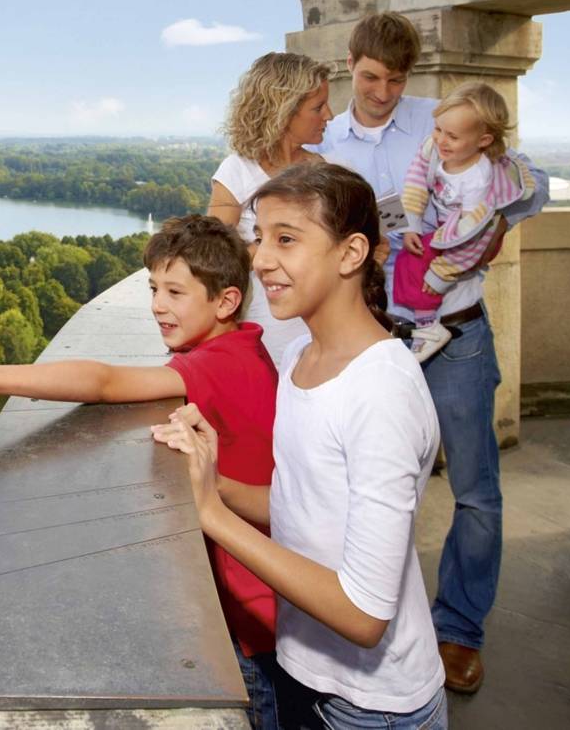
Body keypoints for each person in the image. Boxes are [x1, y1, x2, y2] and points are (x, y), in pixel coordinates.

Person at [0, 214, 285, 729]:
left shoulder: (214, 364)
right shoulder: (246, 345)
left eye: (176, 292)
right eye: (154, 288)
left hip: (253, 629)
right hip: (269, 612)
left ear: (225, 301)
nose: (158, 304)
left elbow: (102, 381)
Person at [158, 163, 446, 729]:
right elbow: (302, 507)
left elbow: (364, 615)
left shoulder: (380, 392)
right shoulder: (299, 361)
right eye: (259, 237)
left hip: (371, 708)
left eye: (285, 239)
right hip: (303, 673)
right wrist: (213, 479)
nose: (261, 258)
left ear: (350, 253)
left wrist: (212, 516)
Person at [315, 10, 548, 693]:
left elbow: (530, 184)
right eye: (370, 77)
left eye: (396, 79)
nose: (384, 92)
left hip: (457, 334)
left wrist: (495, 212)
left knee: (475, 491)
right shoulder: (324, 139)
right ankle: (366, 617)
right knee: (364, 487)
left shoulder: (444, 118)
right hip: (368, 334)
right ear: (349, 63)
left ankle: (458, 632)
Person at [395, 82, 539, 362]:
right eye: (437, 129)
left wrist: (441, 273)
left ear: (483, 141)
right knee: (407, 261)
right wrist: (411, 222)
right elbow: (416, 177)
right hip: (448, 233)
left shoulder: (477, 183)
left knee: (416, 269)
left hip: (469, 240)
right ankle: (427, 325)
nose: (440, 140)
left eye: (452, 136)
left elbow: (476, 237)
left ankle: (428, 328)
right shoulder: (437, 149)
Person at [209, 51, 334, 368]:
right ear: (285, 112)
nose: (330, 115)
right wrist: (282, 245)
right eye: (318, 107)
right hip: (268, 329)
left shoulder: (321, 169)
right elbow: (214, 255)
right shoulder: (235, 172)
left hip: (320, 323)